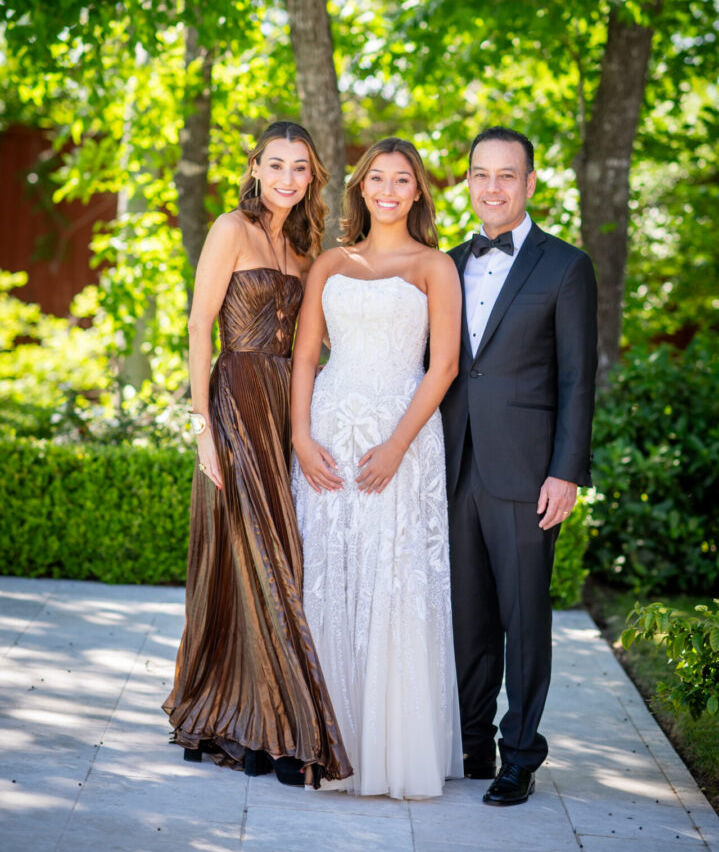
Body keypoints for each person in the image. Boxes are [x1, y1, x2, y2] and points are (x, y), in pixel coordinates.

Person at [163, 120, 351, 789]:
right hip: (237, 399)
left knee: (265, 558)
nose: (287, 179)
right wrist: (201, 427)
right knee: (260, 555)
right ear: (255, 167)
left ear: (311, 177)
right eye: (276, 166)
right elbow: (197, 323)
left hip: (284, 405)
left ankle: (227, 710)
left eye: (300, 168)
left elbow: (311, 344)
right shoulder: (228, 229)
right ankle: (275, 727)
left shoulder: (303, 247)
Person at [291, 137, 464, 799]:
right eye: (376, 179)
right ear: (360, 188)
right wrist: (301, 437)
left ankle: (391, 751)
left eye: (402, 180)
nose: (388, 190)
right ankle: (322, 745)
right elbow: (307, 356)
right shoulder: (331, 261)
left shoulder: (433, 266)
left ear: (417, 191)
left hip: (402, 436)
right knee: (329, 576)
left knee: (391, 580)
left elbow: (442, 365)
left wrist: (395, 445)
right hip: (329, 431)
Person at [440, 126, 598, 806]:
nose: (493, 187)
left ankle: (519, 756)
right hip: (451, 467)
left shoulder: (564, 267)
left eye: (508, 175)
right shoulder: (443, 263)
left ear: (530, 183)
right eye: (481, 174)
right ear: (467, 182)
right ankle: (471, 745)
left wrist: (565, 472)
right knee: (465, 618)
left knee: (523, 620)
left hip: (529, 474)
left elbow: (576, 381)